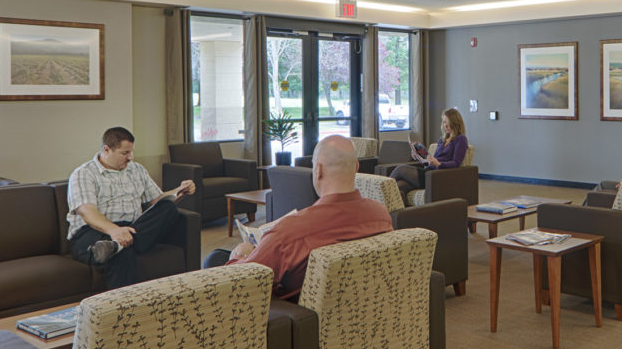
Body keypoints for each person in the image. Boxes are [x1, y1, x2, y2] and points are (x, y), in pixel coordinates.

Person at [207, 134, 391, 299]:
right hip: (353, 311)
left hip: (288, 321)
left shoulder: (290, 232)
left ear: (318, 170)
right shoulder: (381, 215)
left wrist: (239, 254)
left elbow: (240, 285)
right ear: (356, 168)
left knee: (215, 258)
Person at [67, 126, 195, 289]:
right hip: (92, 232)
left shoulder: (136, 170)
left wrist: (179, 191)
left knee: (168, 208)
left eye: (131, 152)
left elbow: (157, 200)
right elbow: (87, 212)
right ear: (107, 149)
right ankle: (124, 310)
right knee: (123, 253)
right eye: (125, 153)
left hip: (133, 228)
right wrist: (114, 230)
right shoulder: (84, 174)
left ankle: (117, 245)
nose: (130, 157)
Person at [389, 107, 469, 193]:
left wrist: (439, 164)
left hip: (438, 175)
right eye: (444, 122)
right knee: (399, 186)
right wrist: (418, 157)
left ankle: (381, 186)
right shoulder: (441, 140)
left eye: (447, 122)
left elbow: (456, 163)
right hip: (429, 171)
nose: (445, 125)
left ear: (454, 122)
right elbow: (431, 162)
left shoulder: (461, 139)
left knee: (401, 169)